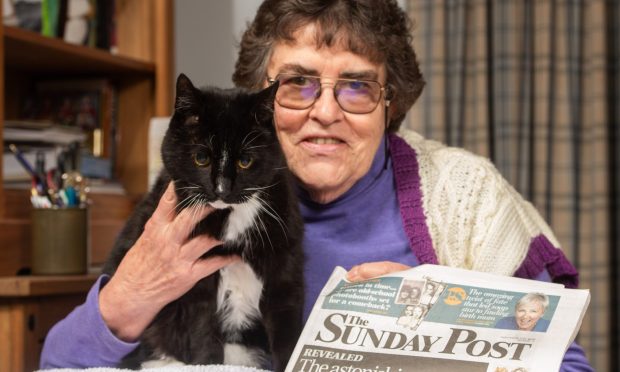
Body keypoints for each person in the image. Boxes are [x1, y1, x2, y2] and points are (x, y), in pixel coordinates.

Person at [39, 0, 593, 370]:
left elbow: (567, 362)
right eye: (297, 84)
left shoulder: (464, 192)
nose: (324, 112)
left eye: (356, 87)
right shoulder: (191, 194)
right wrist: (126, 298)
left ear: (390, 103)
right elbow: (57, 363)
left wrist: (449, 314)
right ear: (259, 102)